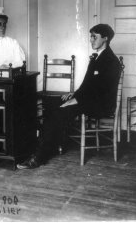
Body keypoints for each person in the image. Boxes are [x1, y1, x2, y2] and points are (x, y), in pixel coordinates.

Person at [17, 23, 121, 169]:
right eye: (90, 37)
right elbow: (87, 85)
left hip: (100, 105)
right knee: (51, 103)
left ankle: (39, 157)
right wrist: (74, 95)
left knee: (60, 111)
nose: (91, 40)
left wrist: (76, 100)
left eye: (94, 37)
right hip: (89, 99)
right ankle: (52, 144)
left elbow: (101, 91)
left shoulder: (111, 61)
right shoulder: (97, 57)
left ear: (105, 38)